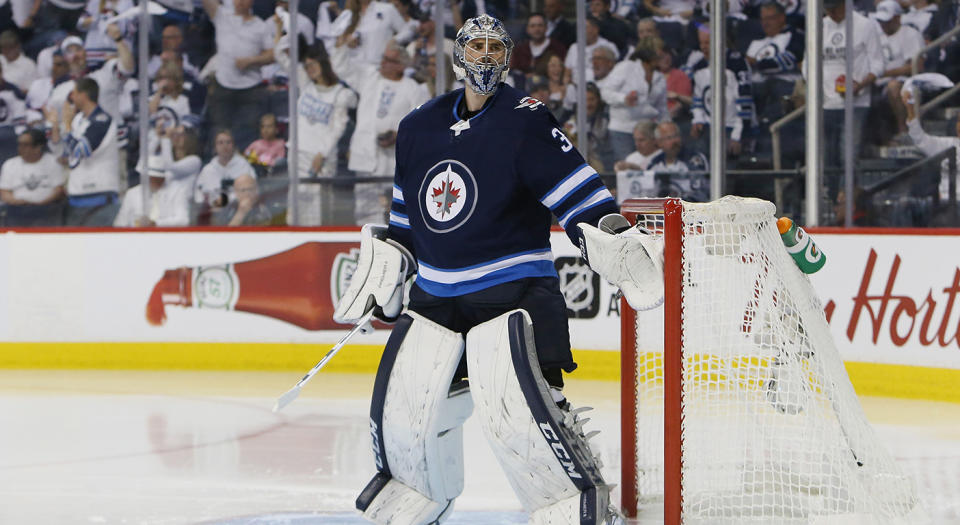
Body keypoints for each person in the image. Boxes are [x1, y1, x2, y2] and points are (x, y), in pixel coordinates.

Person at [334, 15, 659, 524]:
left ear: (507, 57)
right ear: (458, 56)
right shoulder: (418, 125)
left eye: (495, 47)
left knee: (523, 417)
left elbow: (577, 192)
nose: (486, 56)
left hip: (514, 291)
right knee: (409, 411)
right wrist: (392, 258)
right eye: (476, 46)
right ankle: (417, 496)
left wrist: (611, 232)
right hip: (436, 297)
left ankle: (571, 504)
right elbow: (405, 217)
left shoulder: (525, 118)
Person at [341, 43, 429, 225]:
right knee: (364, 211)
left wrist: (398, 135)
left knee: (391, 211)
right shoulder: (370, 77)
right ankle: (362, 247)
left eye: (389, 60)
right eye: (383, 58)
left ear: (401, 65)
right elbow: (341, 66)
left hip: (392, 161)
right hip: (365, 156)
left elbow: (422, 126)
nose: (382, 63)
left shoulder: (413, 88)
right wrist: (342, 41)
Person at [818, 0, 883, 198]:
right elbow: (807, 64)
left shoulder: (865, 25)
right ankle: (831, 198)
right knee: (828, 157)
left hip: (856, 103)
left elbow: (878, 64)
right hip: (826, 103)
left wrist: (860, 85)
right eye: (828, 9)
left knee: (849, 154)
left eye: (835, 8)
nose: (832, 13)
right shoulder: (820, 26)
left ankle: (846, 198)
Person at [292, 43, 355, 225]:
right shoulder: (305, 84)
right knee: (295, 204)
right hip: (297, 152)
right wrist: (283, 28)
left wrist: (322, 153)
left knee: (317, 209)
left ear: (324, 64)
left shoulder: (340, 94)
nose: (309, 69)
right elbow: (281, 55)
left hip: (320, 156)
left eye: (313, 64)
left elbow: (338, 128)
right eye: (306, 66)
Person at [46, 76, 121, 226]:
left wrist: (66, 126)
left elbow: (80, 151)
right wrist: (55, 127)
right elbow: (62, 154)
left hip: (100, 195)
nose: (71, 98)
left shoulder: (102, 120)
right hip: (76, 196)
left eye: (74, 93)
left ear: (83, 95)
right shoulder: (78, 120)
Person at [202, 0, 275, 150]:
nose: (240, 2)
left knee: (247, 133)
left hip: (251, 89)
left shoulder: (261, 26)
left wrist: (252, 61)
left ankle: (246, 168)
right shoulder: (222, 16)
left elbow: (272, 55)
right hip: (223, 86)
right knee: (218, 130)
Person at [745, 1, 804, 121]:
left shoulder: (793, 35)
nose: (765, 23)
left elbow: (786, 62)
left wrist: (756, 63)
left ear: (782, 17)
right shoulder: (755, 43)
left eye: (770, 18)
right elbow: (744, 67)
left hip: (784, 88)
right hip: (757, 92)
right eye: (763, 19)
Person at [874, 0, 925, 140]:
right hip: (877, 83)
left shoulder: (910, 34)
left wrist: (885, 73)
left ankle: (904, 130)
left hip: (906, 82)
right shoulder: (877, 38)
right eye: (880, 21)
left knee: (894, 87)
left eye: (887, 21)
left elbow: (916, 66)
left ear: (898, 17)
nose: (883, 24)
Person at [690, 27, 744, 157]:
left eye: (707, 42)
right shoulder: (699, 67)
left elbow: (744, 104)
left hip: (731, 128)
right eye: (701, 43)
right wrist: (698, 120)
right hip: (708, 128)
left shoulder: (736, 64)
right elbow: (698, 100)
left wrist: (737, 135)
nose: (703, 47)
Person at [903, 88, 960, 204]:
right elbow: (919, 138)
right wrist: (910, 110)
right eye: (959, 121)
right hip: (947, 204)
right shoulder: (946, 144)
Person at [0, 128, 67, 226]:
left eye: (25, 145)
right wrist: (19, 202)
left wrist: (41, 204)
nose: (20, 148)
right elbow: (4, 192)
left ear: (38, 147)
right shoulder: (10, 164)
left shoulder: (53, 162)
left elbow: (59, 190)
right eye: (19, 144)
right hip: (17, 211)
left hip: (47, 210)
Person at [113, 156, 190, 227]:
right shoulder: (132, 193)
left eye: (158, 178)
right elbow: (120, 223)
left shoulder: (177, 191)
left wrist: (156, 224)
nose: (155, 180)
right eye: (151, 177)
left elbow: (183, 220)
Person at [648, 120, 710, 201]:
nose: (674, 141)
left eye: (676, 136)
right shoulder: (655, 163)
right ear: (659, 143)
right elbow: (648, 193)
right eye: (669, 138)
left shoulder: (694, 159)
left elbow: (701, 193)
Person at [194, 129, 255, 210]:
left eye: (228, 142)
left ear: (234, 145)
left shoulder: (244, 165)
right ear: (215, 147)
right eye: (220, 143)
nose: (224, 146)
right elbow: (198, 194)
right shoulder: (208, 170)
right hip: (212, 213)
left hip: (239, 210)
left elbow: (252, 191)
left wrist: (225, 201)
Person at [614, 119, 661, 202]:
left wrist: (635, 168)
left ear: (654, 140)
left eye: (642, 140)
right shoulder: (631, 158)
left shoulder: (662, 156)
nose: (637, 144)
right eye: (635, 140)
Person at [509, 12, 568, 78]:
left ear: (546, 28)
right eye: (532, 26)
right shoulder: (520, 50)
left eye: (540, 25)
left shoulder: (558, 48)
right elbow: (513, 71)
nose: (536, 29)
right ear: (527, 29)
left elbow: (563, 72)